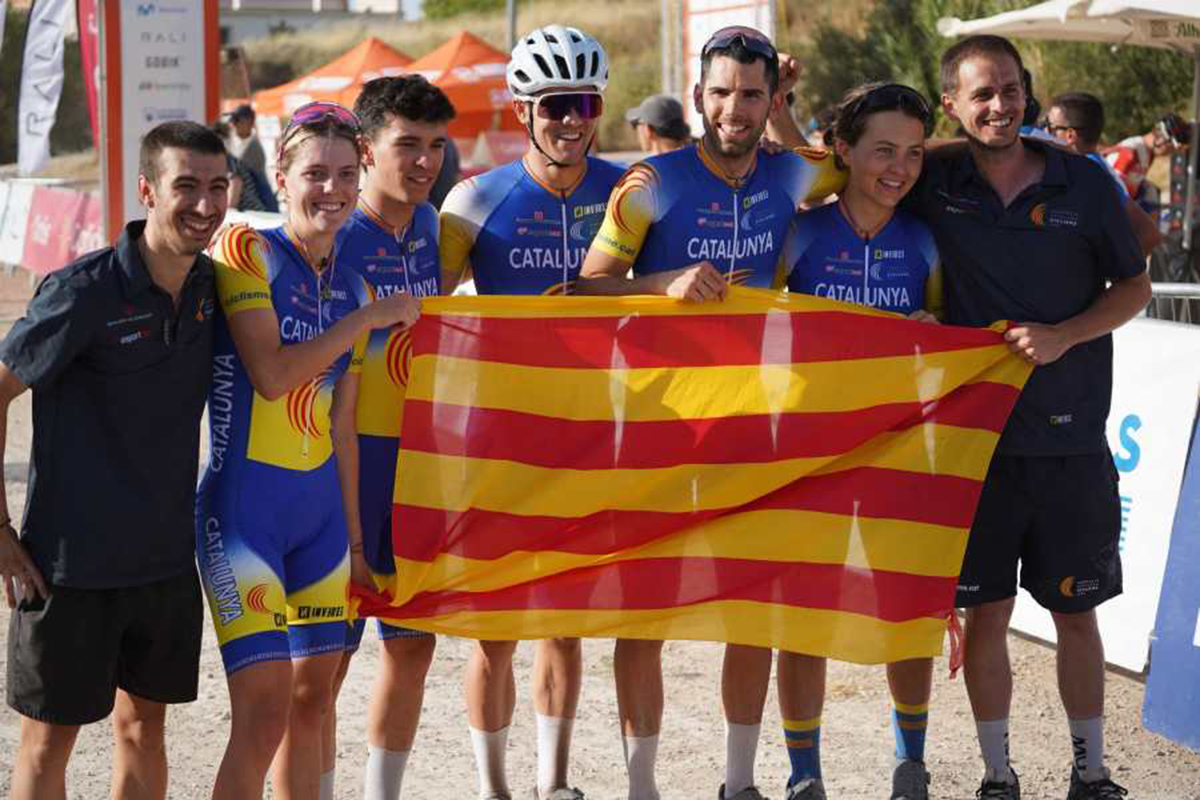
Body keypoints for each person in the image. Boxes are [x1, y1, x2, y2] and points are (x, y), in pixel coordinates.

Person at [577, 26, 845, 800]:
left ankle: (738, 783)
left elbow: (842, 164)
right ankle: (641, 786)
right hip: (660, 423)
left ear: (770, 100)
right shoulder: (648, 183)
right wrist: (659, 281)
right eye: (722, 92)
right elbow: (583, 290)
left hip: (755, 421)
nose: (735, 108)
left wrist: (792, 108)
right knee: (644, 613)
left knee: (756, 607)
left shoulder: (791, 175)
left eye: (753, 94)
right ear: (698, 96)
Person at [906, 34, 1151, 800]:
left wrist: (1064, 335)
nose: (999, 105)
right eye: (980, 94)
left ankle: (1093, 772)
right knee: (987, 619)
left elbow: (1136, 286)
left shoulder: (1081, 181)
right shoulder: (934, 177)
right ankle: (997, 775)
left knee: (1077, 618)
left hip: (1072, 443)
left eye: (1010, 90)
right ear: (952, 104)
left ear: (1028, 92)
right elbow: (849, 160)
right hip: (974, 449)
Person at [197, 101, 420, 800]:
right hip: (244, 518)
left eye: (346, 174)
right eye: (315, 174)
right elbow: (272, 377)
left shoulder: (351, 283)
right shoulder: (246, 251)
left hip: (321, 521)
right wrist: (369, 318)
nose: (333, 189)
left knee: (314, 703)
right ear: (280, 178)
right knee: (262, 715)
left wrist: (355, 545)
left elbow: (344, 425)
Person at [0, 120, 229, 800]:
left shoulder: (214, 288)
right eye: (185, 186)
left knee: (142, 733)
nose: (204, 204)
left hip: (163, 562)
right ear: (146, 192)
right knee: (47, 745)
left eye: (218, 187)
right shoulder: (84, 291)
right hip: (70, 569)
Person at [439, 24, 625, 800]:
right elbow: (425, 309)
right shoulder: (474, 199)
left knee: (568, 622)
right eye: (554, 104)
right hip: (499, 440)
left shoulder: (626, 189)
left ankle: (553, 784)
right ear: (523, 110)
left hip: (592, 436)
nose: (570, 119)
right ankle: (494, 790)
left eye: (583, 101)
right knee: (494, 633)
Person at [781, 82, 941, 800]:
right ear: (843, 151)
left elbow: (943, 340)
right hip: (808, 456)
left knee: (905, 612)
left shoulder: (926, 237)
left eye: (912, 153)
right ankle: (804, 773)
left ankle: (911, 761)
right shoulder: (801, 232)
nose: (899, 168)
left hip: (901, 454)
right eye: (884, 150)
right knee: (802, 617)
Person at [327, 74, 455, 800]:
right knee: (325, 666)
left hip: (414, 467)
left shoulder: (433, 224)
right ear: (364, 147)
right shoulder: (334, 232)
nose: (424, 161)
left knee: (412, 649)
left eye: (435, 145)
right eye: (407, 144)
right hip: (341, 465)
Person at [1043, 92, 1163, 257]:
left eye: (1050, 127)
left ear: (1070, 135)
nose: (1043, 131)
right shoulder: (1089, 166)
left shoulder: (1092, 172)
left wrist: (1118, 279)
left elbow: (1149, 234)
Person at [1103, 111, 1192, 205]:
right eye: (1171, 149)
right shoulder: (1131, 152)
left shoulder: (1147, 154)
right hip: (1108, 209)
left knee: (1151, 192)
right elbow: (1110, 191)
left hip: (1118, 208)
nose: (1169, 153)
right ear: (1161, 140)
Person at [625, 94, 691, 154]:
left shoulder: (645, 166)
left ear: (648, 130)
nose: (637, 131)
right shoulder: (697, 159)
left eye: (635, 125)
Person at [229, 103, 268, 176]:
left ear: (249, 122)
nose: (235, 126)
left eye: (238, 122)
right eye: (234, 122)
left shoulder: (254, 148)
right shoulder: (236, 143)